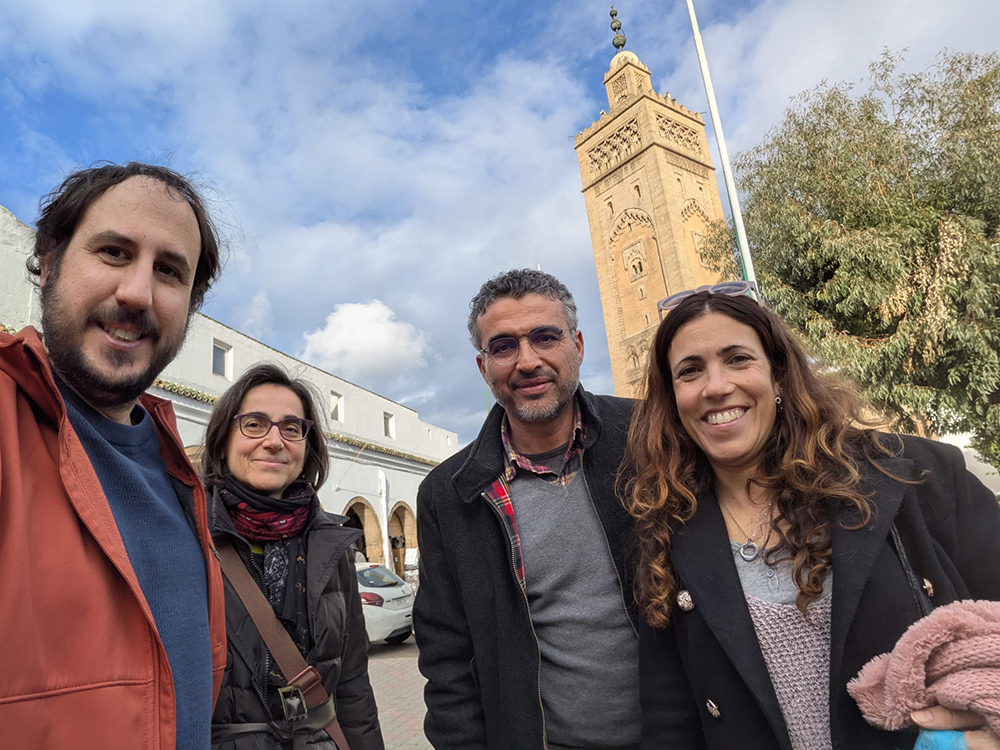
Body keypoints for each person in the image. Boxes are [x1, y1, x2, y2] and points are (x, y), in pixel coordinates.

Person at [622, 285, 1000, 749]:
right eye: (690, 371)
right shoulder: (667, 535)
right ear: (673, 400)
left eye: (738, 358)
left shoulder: (917, 476)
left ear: (779, 376)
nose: (716, 386)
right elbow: (670, 722)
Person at [0, 162, 227, 748]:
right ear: (48, 262)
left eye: (170, 271)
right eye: (114, 252)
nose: (137, 292)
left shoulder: (181, 473)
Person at [414, 268, 644, 749]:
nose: (528, 360)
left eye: (545, 337)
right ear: (483, 367)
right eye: (503, 346)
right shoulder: (449, 494)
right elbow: (446, 655)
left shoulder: (648, 438)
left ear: (577, 345)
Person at [201, 363, 384, 749]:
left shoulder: (331, 547)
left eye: (291, 428)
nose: (273, 441)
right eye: (254, 424)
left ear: (306, 445)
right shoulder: (186, 533)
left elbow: (352, 682)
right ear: (222, 441)